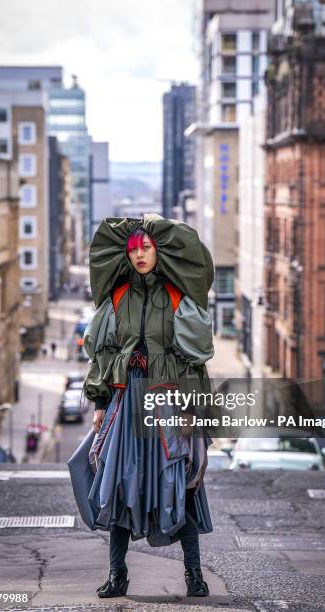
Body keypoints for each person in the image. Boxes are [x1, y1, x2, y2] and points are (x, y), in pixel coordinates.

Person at [68, 214, 215, 599]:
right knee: (119, 486)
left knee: (178, 486)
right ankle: (118, 576)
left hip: (168, 401)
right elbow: (101, 353)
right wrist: (100, 400)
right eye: (132, 249)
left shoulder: (177, 298)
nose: (139, 255)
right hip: (127, 398)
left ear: (159, 250)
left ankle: (194, 576)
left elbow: (191, 360)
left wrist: (189, 409)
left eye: (146, 247)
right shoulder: (116, 298)